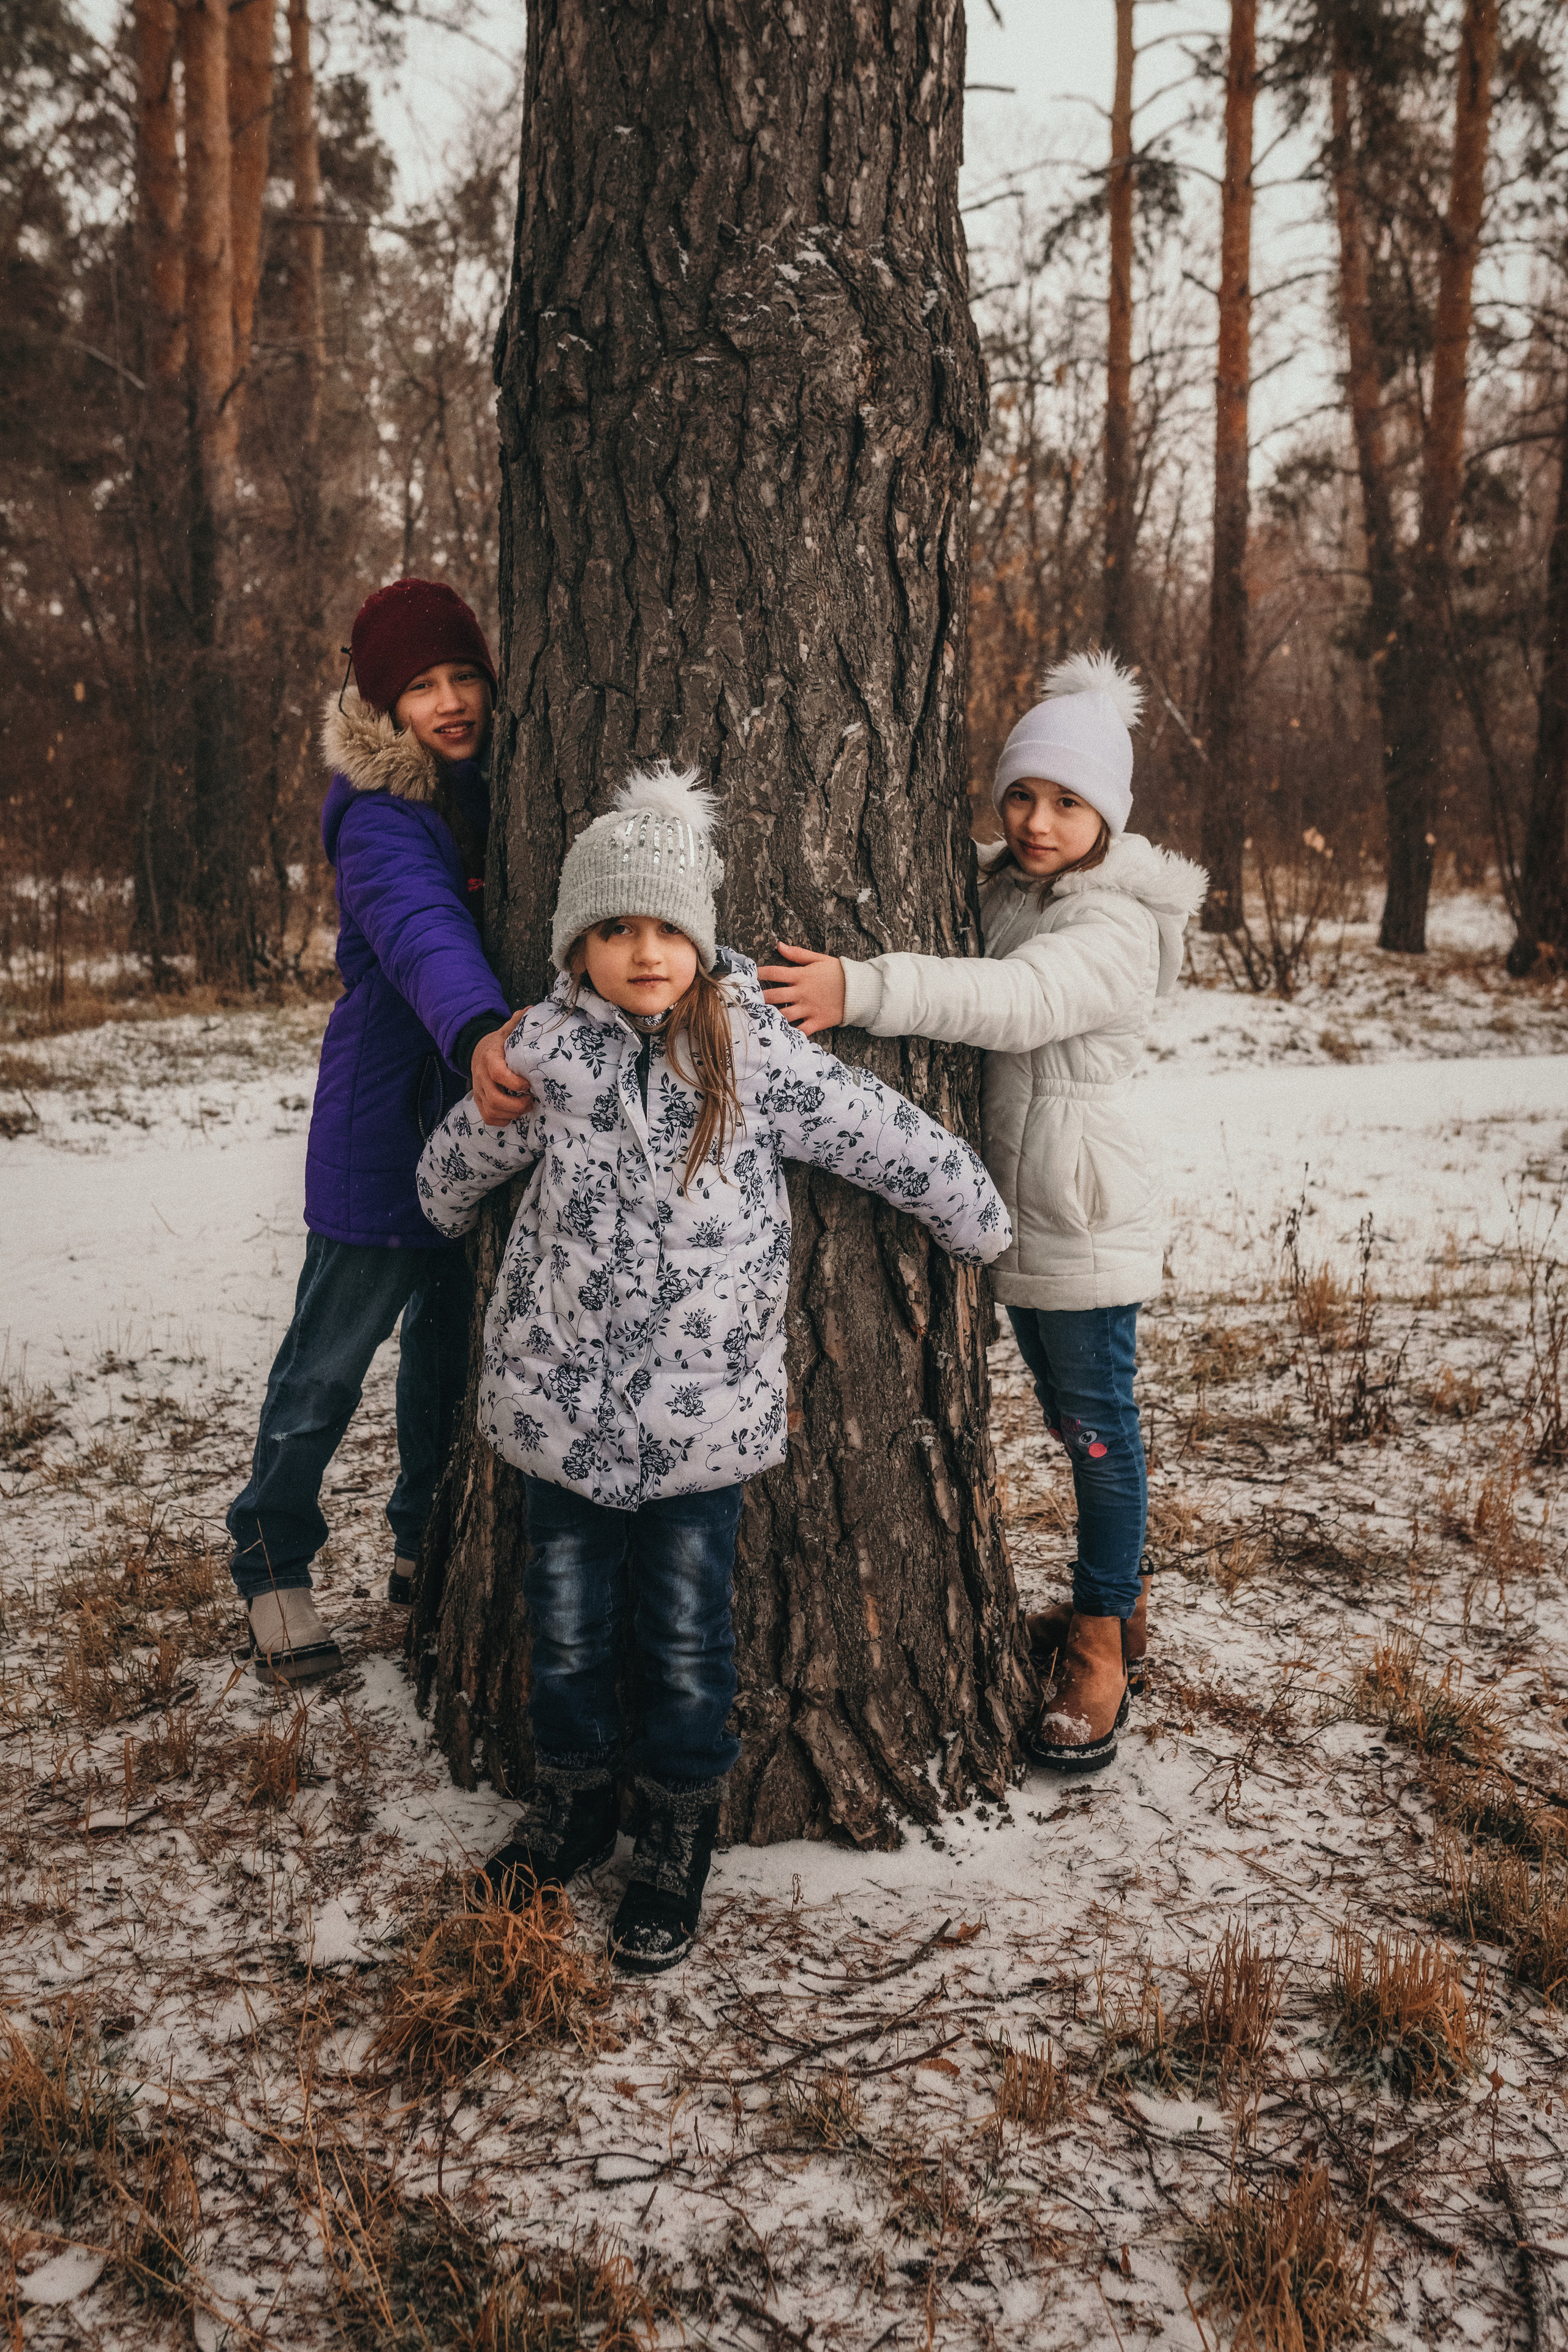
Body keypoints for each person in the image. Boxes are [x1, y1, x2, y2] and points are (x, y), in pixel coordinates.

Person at [415, 766, 1010, 1973]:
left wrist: (974, 1216)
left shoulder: (753, 1051)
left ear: (700, 938)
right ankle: (573, 1803)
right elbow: (467, 1155)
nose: (643, 952)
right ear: (575, 946)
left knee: (688, 1635)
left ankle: (678, 1829)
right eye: (613, 930)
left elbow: (877, 1130)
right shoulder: (546, 1056)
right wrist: (433, 1198)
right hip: (561, 1409)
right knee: (568, 1624)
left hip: (703, 1421)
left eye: (664, 929)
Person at [760, 652, 1207, 1774]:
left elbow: (1016, 1001)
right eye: (1022, 795)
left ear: (1109, 815)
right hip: (1023, 1202)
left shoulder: (1109, 928)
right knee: (1068, 1414)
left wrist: (862, 987)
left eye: (1068, 802)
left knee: (1098, 1428)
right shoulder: (1005, 884)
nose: (1039, 821)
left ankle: (1102, 1637)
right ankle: (1126, 1603)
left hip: (1080, 1209)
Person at [227, 578, 526, 1686]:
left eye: (464, 678)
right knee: (328, 1365)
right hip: (385, 1124)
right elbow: (419, 927)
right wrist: (484, 1028)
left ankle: (420, 1543)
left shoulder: (502, 788)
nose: (449, 703)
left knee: (450, 1357)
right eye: (419, 688)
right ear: (380, 707)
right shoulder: (383, 812)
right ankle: (269, 1556)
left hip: (481, 1135)